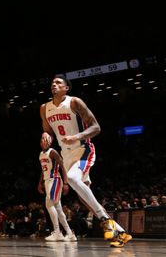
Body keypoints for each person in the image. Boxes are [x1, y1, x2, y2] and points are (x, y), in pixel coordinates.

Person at [40, 75, 132, 247]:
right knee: (84, 197)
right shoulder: (44, 108)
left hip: (83, 149)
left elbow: (96, 127)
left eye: (59, 82)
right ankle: (120, 232)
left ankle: (105, 220)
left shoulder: (75, 102)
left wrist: (77, 136)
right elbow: (47, 132)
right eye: (52, 82)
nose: (54, 84)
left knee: (74, 179)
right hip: (65, 154)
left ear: (66, 88)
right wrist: (45, 135)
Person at [37, 133, 75, 242]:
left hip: (55, 180)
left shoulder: (52, 152)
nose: (45, 141)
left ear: (50, 142)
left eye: (47, 139)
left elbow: (62, 166)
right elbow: (43, 170)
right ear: (40, 142)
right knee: (57, 208)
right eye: (43, 139)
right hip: (47, 181)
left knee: (49, 204)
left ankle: (57, 232)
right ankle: (69, 233)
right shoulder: (41, 154)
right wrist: (40, 183)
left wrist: (66, 183)